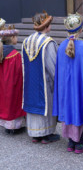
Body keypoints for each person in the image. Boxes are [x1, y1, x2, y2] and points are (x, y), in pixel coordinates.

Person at [53, 13, 83, 154]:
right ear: (81, 29)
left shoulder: (61, 47)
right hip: (80, 88)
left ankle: (71, 142)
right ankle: (79, 144)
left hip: (66, 90)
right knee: (80, 108)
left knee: (69, 110)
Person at [22, 10, 60, 144]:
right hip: (44, 82)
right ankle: (46, 134)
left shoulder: (26, 41)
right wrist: (58, 82)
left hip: (30, 82)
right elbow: (53, 66)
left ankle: (34, 133)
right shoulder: (48, 42)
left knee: (33, 104)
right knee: (46, 104)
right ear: (47, 26)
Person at [0, 19, 26, 135]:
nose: (17, 39)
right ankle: (15, 126)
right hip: (13, 84)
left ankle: (7, 125)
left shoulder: (1, 53)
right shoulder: (15, 55)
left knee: (5, 102)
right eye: (16, 37)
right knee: (14, 102)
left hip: (3, 84)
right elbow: (18, 72)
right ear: (12, 39)